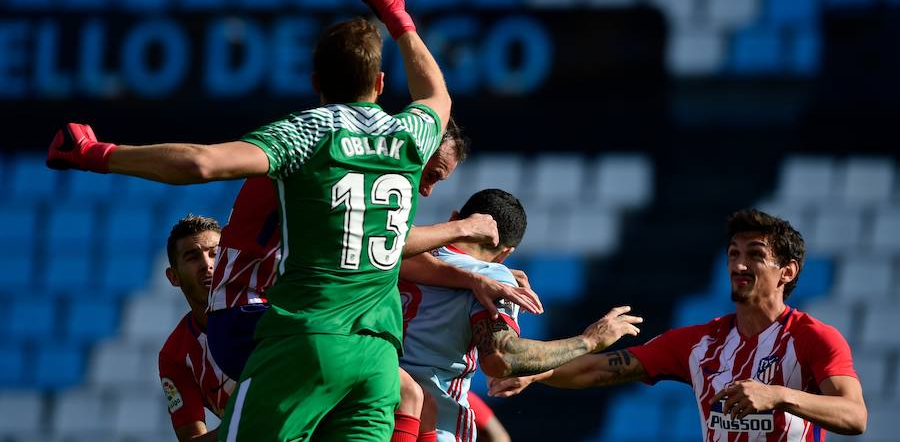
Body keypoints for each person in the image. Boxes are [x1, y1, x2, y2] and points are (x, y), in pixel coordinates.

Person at [47, 0, 452, 441]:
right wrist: (399, 20)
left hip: (305, 342)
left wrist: (99, 155)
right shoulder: (410, 133)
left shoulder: (307, 132)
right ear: (380, 83)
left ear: (316, 81)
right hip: (378, 355)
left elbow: (200, 164)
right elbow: (436, 96)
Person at [205, 119, 541, 382]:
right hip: (256, 316)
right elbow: (382, 248)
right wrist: (463, 229)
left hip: (265, 317)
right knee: (398, 385)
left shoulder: (359, 165)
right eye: (432, 175)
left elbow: (395, 257)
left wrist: (472, 277)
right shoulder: (355, 166)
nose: (426, 191)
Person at [490, 208, 868, 440]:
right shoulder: (698, 343)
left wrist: (780, 396)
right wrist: (538, 374)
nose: (738, 265)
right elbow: (599, 369)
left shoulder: (814, 338)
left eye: (754, 256)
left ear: (787, 271)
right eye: (734, 253)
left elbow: (854, 417)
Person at [399, 189, 643, 442]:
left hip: (372, 412)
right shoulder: (494, 277)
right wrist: (589, 341)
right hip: (433, 428)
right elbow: (502, 358)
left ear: (454, 219)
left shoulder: (397, 253)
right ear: (506, 252)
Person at [158, 215, 232, 442]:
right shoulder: (175, 356)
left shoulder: (268, 313)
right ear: (174, 277)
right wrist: (245, 426)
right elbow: (191, 437)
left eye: (215, 253)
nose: (207, 264)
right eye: (192, 257)